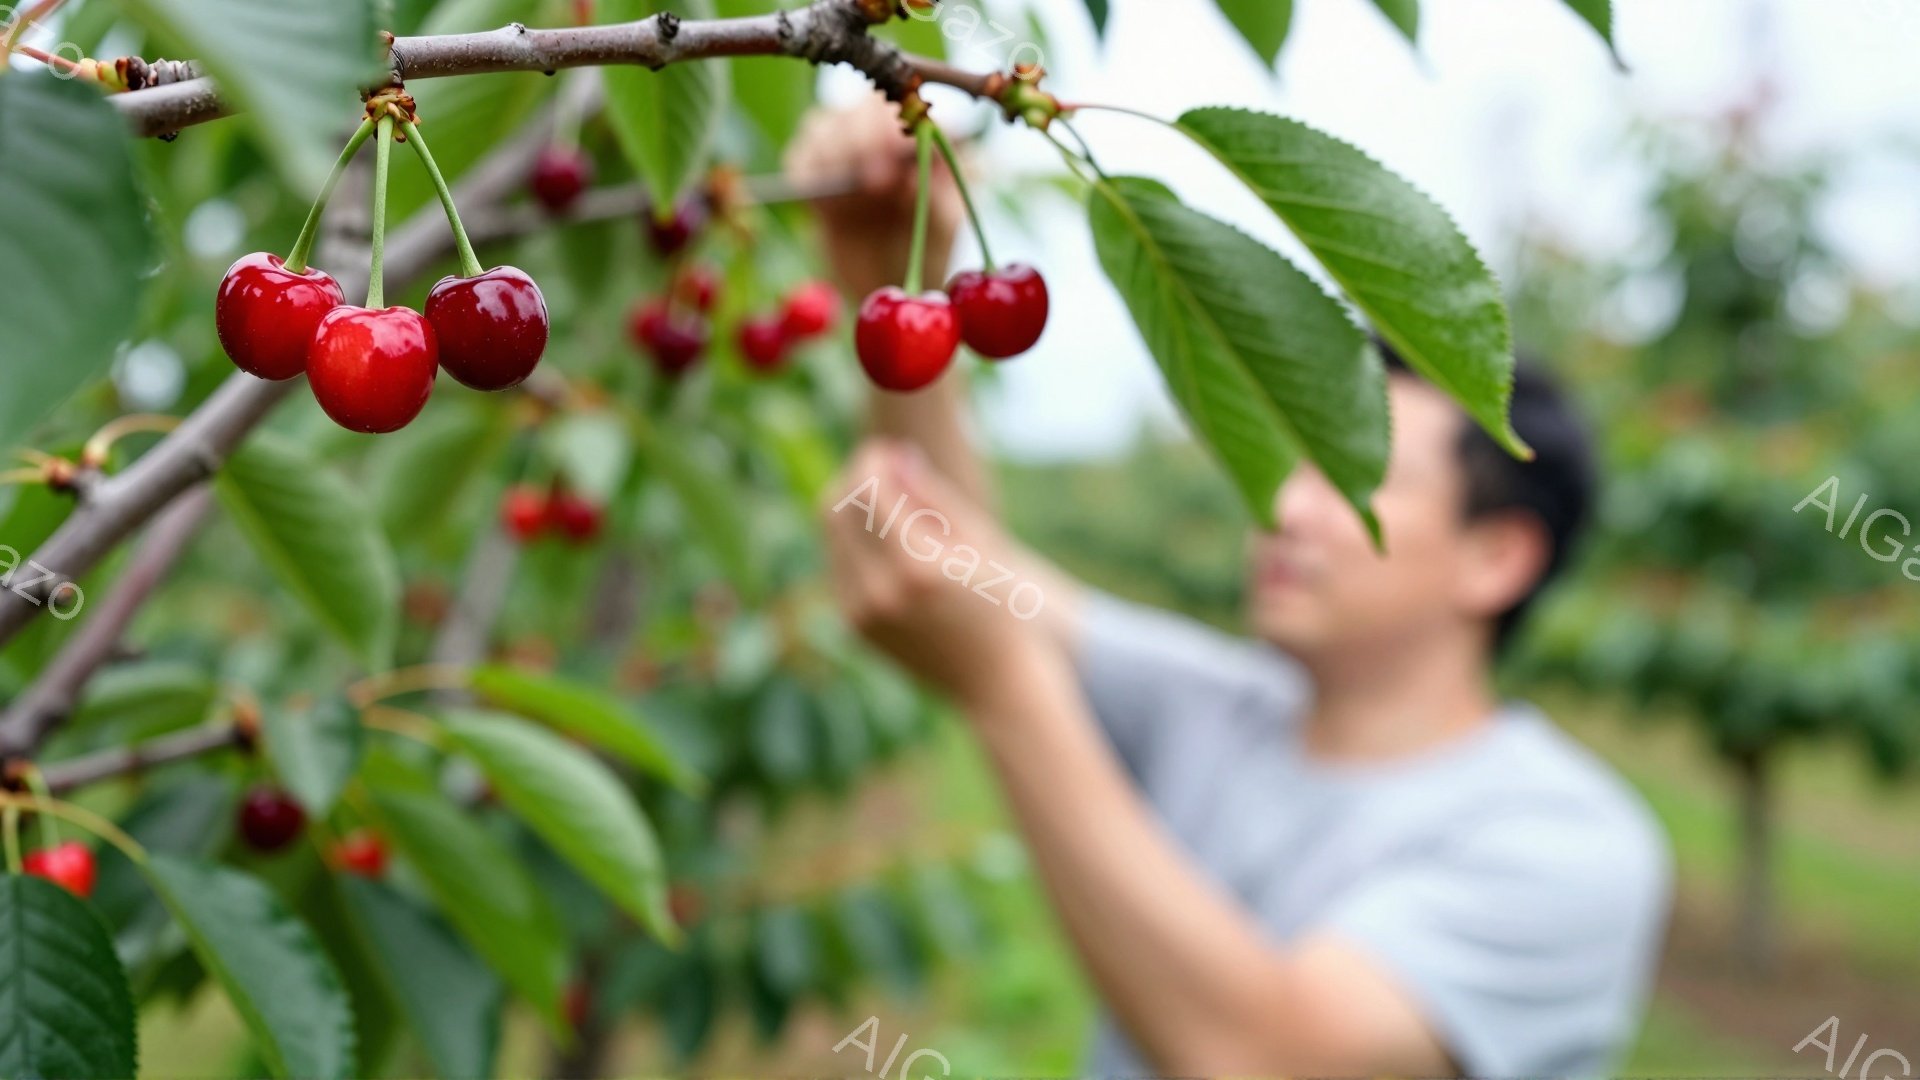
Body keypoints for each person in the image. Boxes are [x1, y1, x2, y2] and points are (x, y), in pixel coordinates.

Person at [790, 97, 1674, 1079]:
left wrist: (1007, 694)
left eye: (1353, 473)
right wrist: (895, 282)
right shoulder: (1217, 708)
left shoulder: (1566, 844)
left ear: (1497, 557)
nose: (1284, 505)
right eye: (1295, 460)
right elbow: (970, 576)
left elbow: (1265, 1059)